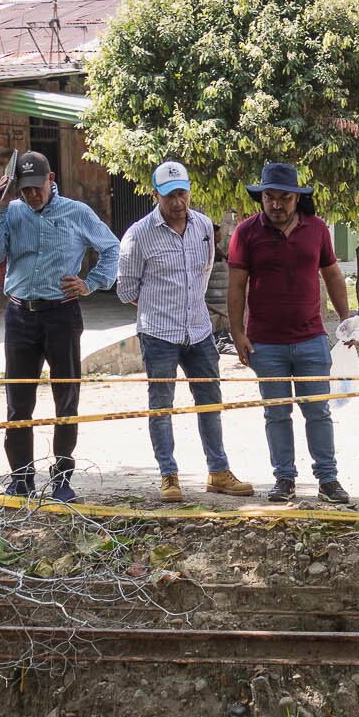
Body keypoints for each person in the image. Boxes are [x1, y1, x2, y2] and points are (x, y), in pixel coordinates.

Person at [0, 150, 120, 501]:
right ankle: (21, 478)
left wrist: (92, 281)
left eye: (36, 187)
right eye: (24, 189)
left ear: (51, 179)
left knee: (66, 398)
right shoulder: (10, 213)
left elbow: (112, 249)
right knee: (18, 401)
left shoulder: (77, 212)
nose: (31, 195)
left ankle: (61, 480)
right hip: (19, 315)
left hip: (61, 314)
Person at [115, 162, 254, 503]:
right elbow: (126, 289)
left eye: (182, 193)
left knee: (210, 401)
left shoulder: (204, 226)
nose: (178, 202)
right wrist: (157, 308)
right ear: (155, 195)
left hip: (199, 332)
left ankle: (218, 471)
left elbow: (205, 270)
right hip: (159, 334)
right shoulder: (138, 234)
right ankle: (168, 475)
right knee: (161, 405)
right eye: (169, 196)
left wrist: (188, 305)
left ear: (189, 190)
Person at [226, 162, 353, 504]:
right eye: (270, 197)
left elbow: (333, 275)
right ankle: (284, 479)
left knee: (318, 411)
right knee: (277, 412)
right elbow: (237, 285)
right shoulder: (246, 232)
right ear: (261, 197)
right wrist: (237, 332)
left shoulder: (317, 229)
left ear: (297, 199)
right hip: (265, 344)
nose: (276, 204)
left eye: (284, 198)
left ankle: (328, 480)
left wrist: (346, 319)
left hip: (311, 339)